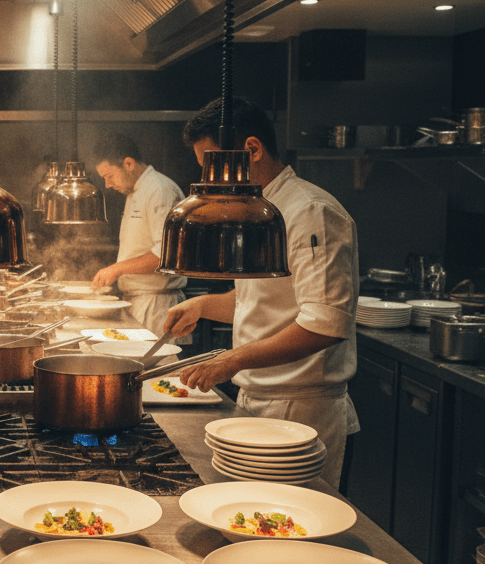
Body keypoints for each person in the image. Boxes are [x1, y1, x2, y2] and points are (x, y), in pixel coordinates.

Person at [163, 96, 360, 489]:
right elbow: (262, 299)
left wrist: (230, 361)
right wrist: (201, 305)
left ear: (251, 150)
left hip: (300, 411)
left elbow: (325, 324)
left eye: (211, 164)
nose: (209, 179)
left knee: (291, 534)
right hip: (256, 399)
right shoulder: (257, 210)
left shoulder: (310, 211)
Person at [90, 133, 188, 340]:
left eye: (109, 176)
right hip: (140, 301)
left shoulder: (160, 190)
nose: (107, 184)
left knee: (156, 370)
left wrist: (116, 269)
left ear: (128, 163)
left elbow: (166, 255)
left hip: (157, 306)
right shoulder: (136, 190)